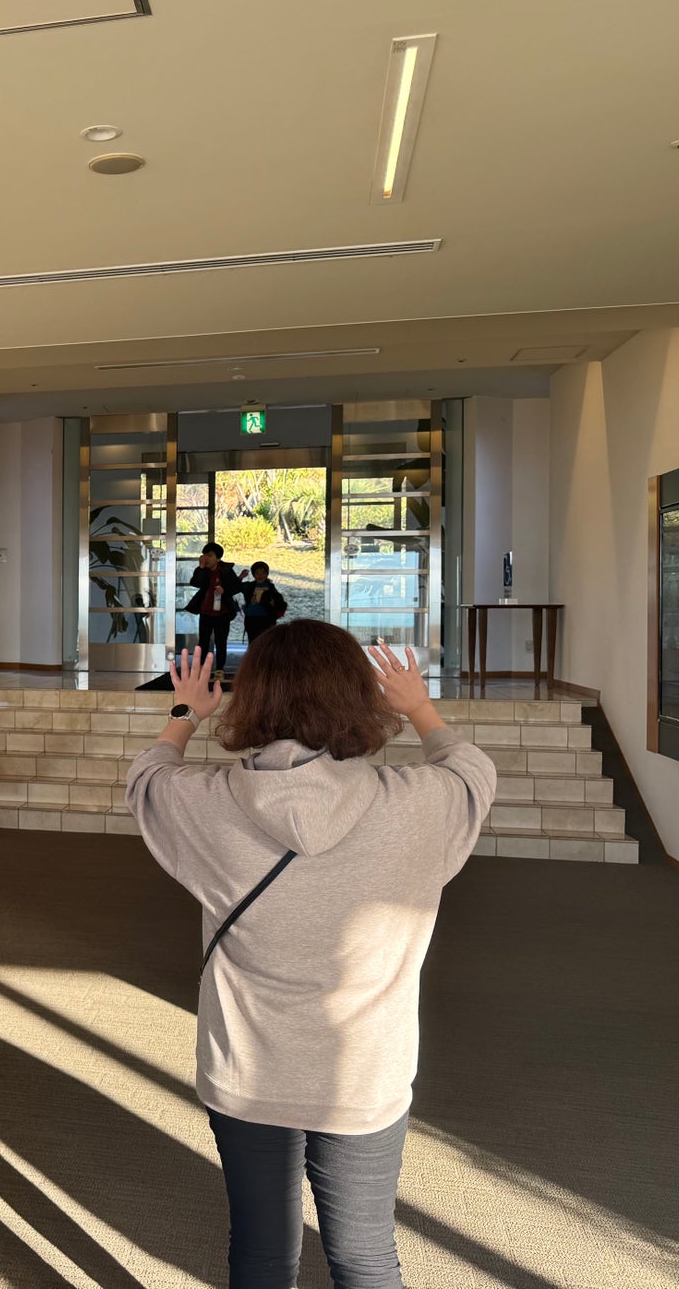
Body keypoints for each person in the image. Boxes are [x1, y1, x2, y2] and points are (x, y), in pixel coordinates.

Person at [125, 624, 495, 1289]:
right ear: (359, 697)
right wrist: (418, 708)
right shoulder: (418, 805)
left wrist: (185, 712)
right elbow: (472, 772)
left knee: (262, 1254)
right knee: (366, 1257)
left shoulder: (207, 805)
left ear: (251, 698)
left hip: (247, 1069)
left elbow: (148, 778)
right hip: (366, 1072)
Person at [184, 543, 243, 679]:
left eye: (210, 555)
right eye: (205, 555)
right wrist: (201, 567)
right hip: (206, 612)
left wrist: (224, 590)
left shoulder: (226, 571)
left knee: (221, 642)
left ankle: (219, 670)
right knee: (203, 642)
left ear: (218, 558)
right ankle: (200, 669)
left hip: (223, 613)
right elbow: (195, 583)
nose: (206, 558)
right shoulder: (203, 570)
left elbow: (237, 587)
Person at [238, 560, 287, 648]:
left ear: (267, 574)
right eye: (257, 573)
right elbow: (234, 587)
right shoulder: (249, 586)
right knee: (253, 644)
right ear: (253, 574)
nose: (260, 576)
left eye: (263, 573)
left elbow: (279, 603)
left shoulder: (271, 587)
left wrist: (272, 603)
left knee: (266, 645)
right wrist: (241, 577)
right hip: (251, 620)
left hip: (267, 620)